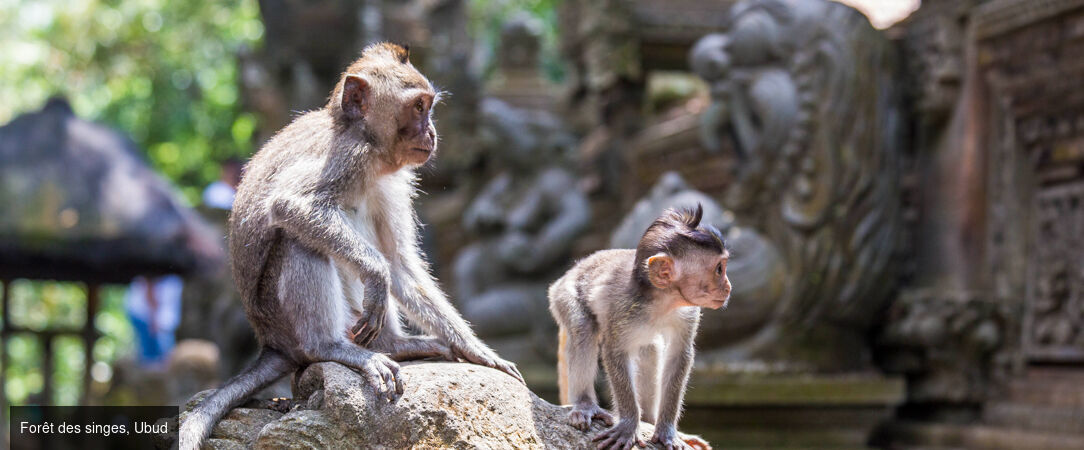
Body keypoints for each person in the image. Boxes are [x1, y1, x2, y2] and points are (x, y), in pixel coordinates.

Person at [125, 275, 183, 367]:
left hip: (157, 322)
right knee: (154, 361)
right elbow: (150, 291)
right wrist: (153, 319)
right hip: (150, 320)